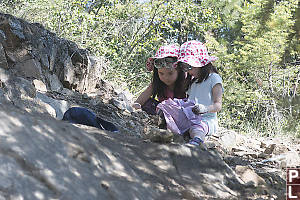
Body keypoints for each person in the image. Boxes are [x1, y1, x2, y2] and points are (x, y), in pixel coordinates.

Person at [157, 40, 223, 146]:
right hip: (191, 115)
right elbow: (188, 101)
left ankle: (197, 140)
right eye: (184, 67)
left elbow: (218, 105)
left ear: (201, 63)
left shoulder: (214, 78)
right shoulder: (194, 81)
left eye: (189, 67)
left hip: (206, 119)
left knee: (197, 128)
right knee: (168, 104)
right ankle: (163, 122)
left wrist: (205, 109)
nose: (187, 71)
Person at [132, 44, 186, 115]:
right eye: (161, 73)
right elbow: (143, 98)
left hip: (182, 115)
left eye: (170, 73)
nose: (166, 78)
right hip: (163, 112)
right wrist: (136, 105)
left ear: (179, 70)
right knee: (147, 103)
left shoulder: (186, 83)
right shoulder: (157, 84)